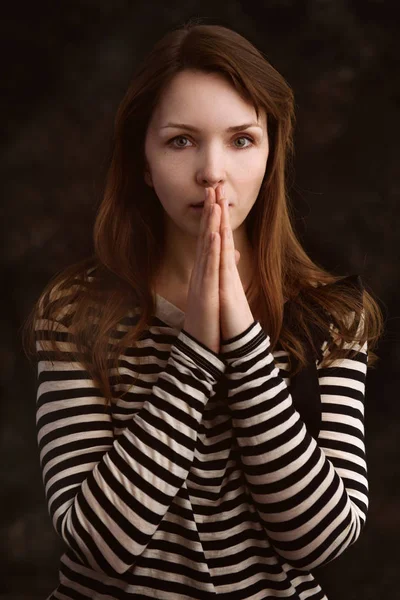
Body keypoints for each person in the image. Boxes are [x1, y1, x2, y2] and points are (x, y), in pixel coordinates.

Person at [22, 19, 384, 600]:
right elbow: (99, 542)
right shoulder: (74, 313)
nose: (212, 171)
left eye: (241, 140)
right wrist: (193, 352)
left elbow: (322, 539)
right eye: (180, 140)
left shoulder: (334, 316)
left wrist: (242, 341)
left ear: (270, 156)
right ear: (143, 159)